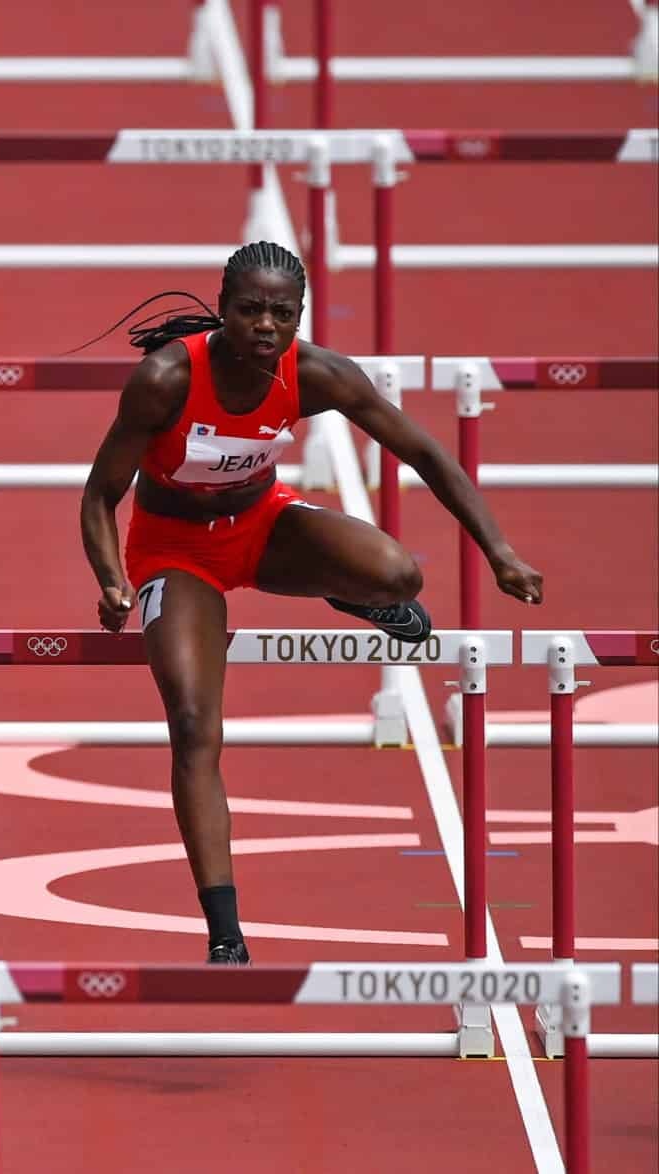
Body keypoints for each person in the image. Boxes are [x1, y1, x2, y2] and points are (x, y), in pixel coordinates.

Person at [79, 241, 544, 965]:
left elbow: (424, 453)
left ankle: (355, 596)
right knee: (195, 721)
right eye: (250, 309)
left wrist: (500, 551)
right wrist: (111, 580)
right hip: (174, 551)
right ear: (225, 308)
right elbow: (99, 494)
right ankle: (226, 930)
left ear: (300, 316)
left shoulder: (318, 373)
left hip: (264, 528)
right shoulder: (166, 379)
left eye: (283, 313)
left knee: (397, 574)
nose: (266, 325)